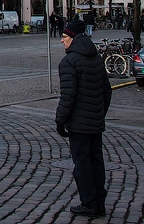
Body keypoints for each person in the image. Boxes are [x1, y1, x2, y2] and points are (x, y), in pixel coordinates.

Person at [55, 19, 112, 216]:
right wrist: (99, 113)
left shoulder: (69, 61)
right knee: (97, 161)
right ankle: (99, 202)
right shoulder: (96, 58)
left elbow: (68, 96)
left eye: (64, 37)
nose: (62, 41)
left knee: (82, 164)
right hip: (95, 122)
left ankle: (89, 202)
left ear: (72, 38)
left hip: (79, 124)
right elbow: (107, 90)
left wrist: (60, 120)